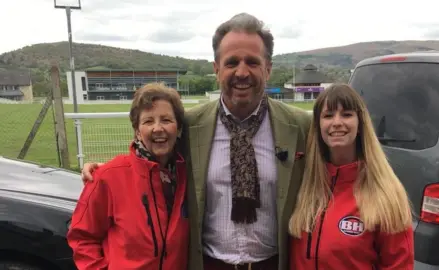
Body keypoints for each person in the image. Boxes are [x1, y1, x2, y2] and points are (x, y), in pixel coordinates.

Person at [79, 13, 311, 270]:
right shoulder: (190, 126)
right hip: (208, 263)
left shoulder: (300, 126)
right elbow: (153, 159)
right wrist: (104, 172)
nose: (242, 72)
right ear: (216, 69)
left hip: (274, 263)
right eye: (232, 62)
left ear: (267, 67)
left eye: (252, 62)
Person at [288, 83, 414, 270]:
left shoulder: (386, 194)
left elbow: (399, 265)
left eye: (346, 114)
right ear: (318, 125)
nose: (336, 122)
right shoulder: (302, 183)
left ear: (360, 123)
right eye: (328, 115)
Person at [68, 83, 190, 270]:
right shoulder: (108, 177)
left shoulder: (189, 175)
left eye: (166, 120)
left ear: (179, 128)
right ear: (137, 131)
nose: (158, 128)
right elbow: (82, 238)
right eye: (148, 121)